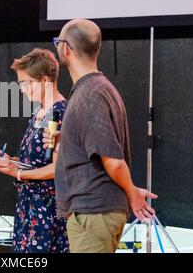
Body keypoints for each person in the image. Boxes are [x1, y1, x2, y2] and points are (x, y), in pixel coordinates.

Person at [44, 19, 158, 253]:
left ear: (66, 48)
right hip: (93, 211)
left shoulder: (91, 95)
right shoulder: (96, 89)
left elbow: (113, 161)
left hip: (93, 212)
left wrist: (132, 195)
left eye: (57, 42)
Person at [0, 48, 69, 253]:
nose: (22, 89)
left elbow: (57, 168)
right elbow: (37, 159)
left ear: (44, 79)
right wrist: (12, 161)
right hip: (30, 203)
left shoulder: (61, 112)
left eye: (26, 83)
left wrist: (19, 173)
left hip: (48, 207)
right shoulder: (38, 112)